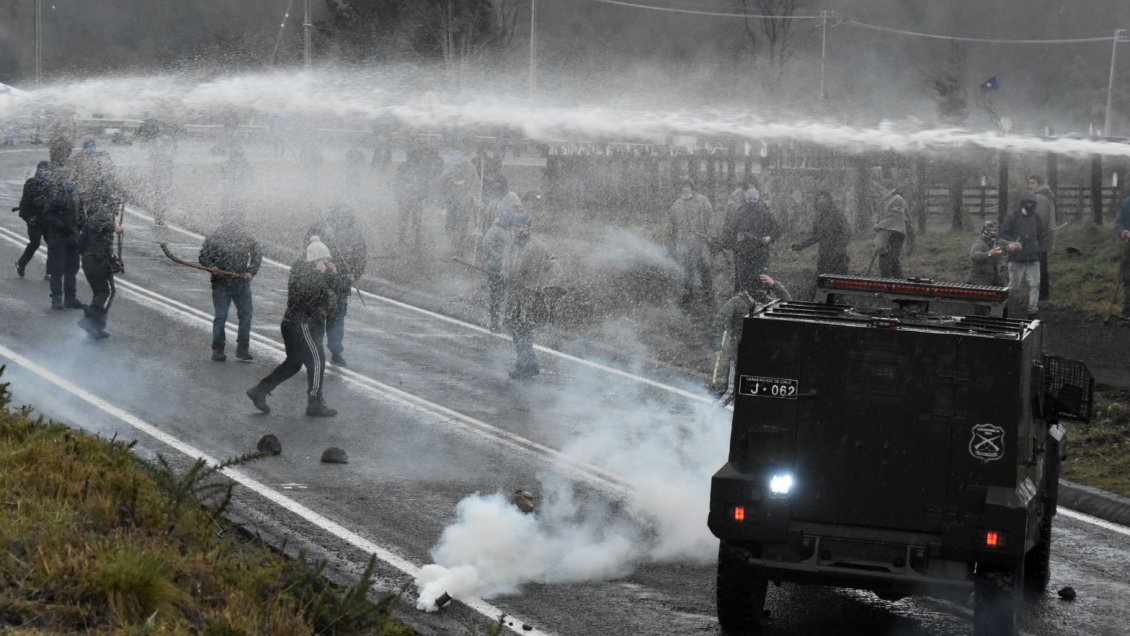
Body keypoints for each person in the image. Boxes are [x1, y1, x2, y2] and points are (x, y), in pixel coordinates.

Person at [246, 236, 338, 417]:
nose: (326, 263)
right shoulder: (308, 275)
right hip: (302, 325)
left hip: (292, 324)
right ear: (314, 260)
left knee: (294, 363)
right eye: (323, 260)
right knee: (317, 361)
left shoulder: (303, 270)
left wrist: (331, 275)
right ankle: (315, 402)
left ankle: (261, 390)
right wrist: (324, 275)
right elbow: (315, 299)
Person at [305, 204, 367, 366]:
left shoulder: (354, 235)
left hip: (341, 284)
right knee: (318, 318)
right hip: (320, 283)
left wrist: (355, 273)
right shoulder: (319, 228)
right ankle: (315, 351)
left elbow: (360, 256)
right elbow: (308, 250)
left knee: (337, 319)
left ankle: (335, 350)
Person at [711, 274, 791, 396]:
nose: (761, 293)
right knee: (730, 392)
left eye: (763, 290)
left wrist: (775, 285)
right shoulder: (736, 302)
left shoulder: (767, 303)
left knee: (750, 393)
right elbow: (719, 322)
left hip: (759, 357)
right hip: (738, 355)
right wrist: (717, 346)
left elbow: (788, 304)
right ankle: (712, 414)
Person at [199, 210, 262, 362]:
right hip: (221, 283)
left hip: (241, 283)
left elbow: (257, 255)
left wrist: (250, 272)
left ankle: (242, 349)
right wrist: (211, 265)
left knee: (245, 316)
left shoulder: (246, 238)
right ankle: (218, 349)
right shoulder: (215, 237)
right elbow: (203, 256)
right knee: (221, 317)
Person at [504, 214, 558, 379]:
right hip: (514, 296)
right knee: (516, 330)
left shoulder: (539, 247)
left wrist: (543, 287)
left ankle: (528, 364)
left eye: (523, 227)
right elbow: (506, 265)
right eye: (517, 227)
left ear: (528, 228)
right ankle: (524, 363)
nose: (520, 230)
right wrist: (504, 274)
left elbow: (553, 267)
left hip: (531, 297)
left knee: (524, 331)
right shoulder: (511, 246)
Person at [75, 162, 124, 339]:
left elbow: (96, 240)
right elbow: (97, 226)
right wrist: (113, 227)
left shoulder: (95, 208)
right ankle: (89, 320)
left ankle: (96, 327)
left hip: (94, 259)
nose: (117, 203)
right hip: (95, 260)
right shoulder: (101, 212)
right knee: (106, 292)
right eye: (114, 199)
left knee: (100, 292)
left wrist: (113, 260)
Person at [40, 166, 84, 310]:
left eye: (73, 179)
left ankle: (70, 297)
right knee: (57, 268)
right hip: (58, 237)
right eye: (68, 179)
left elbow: (81, 214)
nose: (71, 181)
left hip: (74, 237)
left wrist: (81, 226)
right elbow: (47, 214)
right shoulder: (55, 194)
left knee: (72, 267)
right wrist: (61, 225)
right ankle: (57, 297)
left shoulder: (77, 195)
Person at [721, 187, 780, 294]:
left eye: (754, 199)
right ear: (745, 199)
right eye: (749, 199)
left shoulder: (765, 213)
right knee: (744, 283)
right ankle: (746, 305)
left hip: (760, 254)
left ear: (758, 199)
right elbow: (730, 232)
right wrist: (736, 238)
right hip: (743, 254)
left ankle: (762, 304)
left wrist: (769, 237)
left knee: (761, 282)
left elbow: (777, 228)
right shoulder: (740, 213)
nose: (752, 202)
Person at [668, 177, 716, 305]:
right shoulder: (676, 205)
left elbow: (711, 219)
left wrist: (710, 235)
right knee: (687, 271)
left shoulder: (703, 201)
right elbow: (671, 225)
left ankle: (708, 297)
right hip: (684, 245)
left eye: (688, 186)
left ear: (692, 188)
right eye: (683, 187)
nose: (685, 189)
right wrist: (672, 241)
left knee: (704, 270)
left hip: (700, 244)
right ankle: (687, 296)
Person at [1000, 191, 1045, 320]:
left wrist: (1037, 250)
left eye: (1032, 203)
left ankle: (1032, 312)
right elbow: (1003, 234)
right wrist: (1013, 242)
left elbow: (1040, 237)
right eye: (1027, 202)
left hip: (1033, 258)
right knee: (1014, 287)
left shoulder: (1037, 218)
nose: (1029, 205)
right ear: (1022, 203)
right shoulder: (1012, 216)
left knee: (1035, 284)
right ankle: (1003, 308)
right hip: (1016, 258)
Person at [395, 139, 444, 250]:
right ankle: (414, 241)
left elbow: (398, 183)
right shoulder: (420, 168)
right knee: (415, 222)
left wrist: (398, 197)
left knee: (405, 221)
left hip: (407, 199)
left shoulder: (404, 167)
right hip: (414, 199)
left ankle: (403, 241)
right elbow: (424, 182)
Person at [791, 190, 850, 276]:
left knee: (838, 283)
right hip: (824, 257)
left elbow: (847, 233)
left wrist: (838, 249)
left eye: (823, 199)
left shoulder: (837, 215)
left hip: (839, 259)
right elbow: (815, 237)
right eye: (819, 199)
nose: (821, 202)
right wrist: (801, 246)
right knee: (821, 283)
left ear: (829, 202)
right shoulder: (818, 219)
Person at [15, 161, 53, 279]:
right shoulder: (31, 183)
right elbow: (26, 202)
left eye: (48, 171)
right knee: (35, 243)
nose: (47, 173)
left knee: (53, 245)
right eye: (44, 171)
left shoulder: (53, 185)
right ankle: (21, 264)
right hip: (35, 220)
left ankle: (49, 272)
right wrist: (29, 218)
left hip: (48, 221)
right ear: (39, 171)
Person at [483, 207, 517, 333]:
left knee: (507, 297)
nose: (509, 219)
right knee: (496, 296)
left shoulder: (512, 232)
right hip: (495, 269)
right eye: (507, 217)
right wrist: (498, 258)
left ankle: (506, 321)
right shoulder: (494, 230)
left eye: (511, 217)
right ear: (502, 217)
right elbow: (487, 245)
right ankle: (494, 321)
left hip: (508, 270)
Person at [438, 151, 479, 253]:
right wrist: (448, 176)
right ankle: (453, 241)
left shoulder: (471, 168)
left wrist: (469, 196)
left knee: (463, 221)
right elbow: (441, 183)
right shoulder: (449, 168)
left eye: (459, 164)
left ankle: (460, 243)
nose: (457, 167)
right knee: (451, 222)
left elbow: (475, 184)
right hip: (452, 200)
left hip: (464, 200)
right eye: (455, 164)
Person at [873, 180, 911, 278]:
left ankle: (888, 287)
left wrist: (879, 225)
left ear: (889, 188)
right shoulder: (887, 200)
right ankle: (900, 285)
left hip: (895, 234)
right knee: (893, 263)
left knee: (885, 263)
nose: (881, 191)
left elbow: (894, 218)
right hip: (887, 234)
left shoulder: (897, 199)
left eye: (883, 189)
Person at [1027, 175, 1057, 300]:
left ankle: (1042, 294)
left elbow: (1041, 220)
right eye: (1029, 183)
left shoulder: (1040, 198)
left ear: (1039, 184)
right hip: (1042, 236)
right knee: (1040, 264)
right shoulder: (1043, 196)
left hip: (1041, 237)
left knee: (1039, 265)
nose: (1030, 185)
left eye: (1033, 183)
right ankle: (1042, 293)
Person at [967, 219, 1005, 287]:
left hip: (993, 279)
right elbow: (973, 256)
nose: (995, 233)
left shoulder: (996, 242)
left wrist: (1014, 245)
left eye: (996, 230)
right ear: (986, 231)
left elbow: (1010, 245)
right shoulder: (980, 243)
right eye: (993, 230)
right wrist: (989, 253)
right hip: (978, 281)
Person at [1114, 194, 1130, 315]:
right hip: (1128, 246)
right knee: (1127, 277)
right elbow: (1119, 222)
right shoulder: (1126, 203)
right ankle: (1128, 307)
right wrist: (1123, 231)